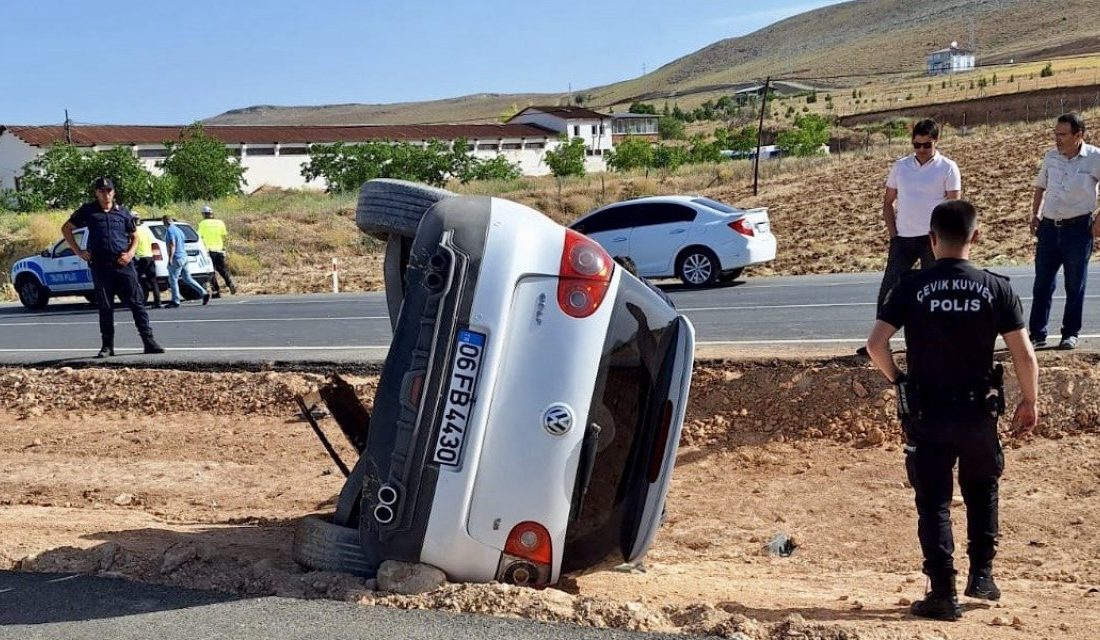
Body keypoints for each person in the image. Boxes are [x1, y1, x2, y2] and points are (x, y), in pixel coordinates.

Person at [865, 199, 1039, 621]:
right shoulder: (997, 287)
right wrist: (1030, 400)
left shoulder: (909, 286)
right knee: (982, 489)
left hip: (929, 413)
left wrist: (898, 381)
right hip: (978, 412)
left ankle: (942, 592)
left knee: (934, 502)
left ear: (931, 238)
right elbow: (1023, 355)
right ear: (975, 237)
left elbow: (875, 345)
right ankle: (982, 576)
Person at [858, 119, 962, 357]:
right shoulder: (901, 166)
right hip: (903, 239)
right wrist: (893, 234)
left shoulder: (948, 167)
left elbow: (954, 205)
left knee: (933, 291)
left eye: (927, 145)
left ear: (936, 141)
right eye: (917, 145)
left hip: (933, 241)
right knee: (889, 290)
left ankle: (933, 342)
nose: (921, 150)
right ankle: (878, 343)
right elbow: (887, 202)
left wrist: (944, 237)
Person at [62, 178, 164, 357]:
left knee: (137, 303)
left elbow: (134, 236)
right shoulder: (88, 211)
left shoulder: (123, 212)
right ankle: (107, 346)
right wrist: (79, 252)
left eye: (109, 190)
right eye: (101, 190)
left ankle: (149, 341)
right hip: (101, 265)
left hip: (123, 264)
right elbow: (66, 229)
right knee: (105, 306)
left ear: (113, 192)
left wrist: (130, 253)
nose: (106, 193)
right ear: (96, 193)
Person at [1027, 112, 1100, 350]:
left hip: (1078, 230)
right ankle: (1037, 334)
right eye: (1055, 134)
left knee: (1074, 284)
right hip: (1049, 227)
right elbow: (1040, 186)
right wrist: (1035, 214)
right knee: (1042, 284)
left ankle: (1070, 334)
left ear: (1078, 135)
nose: (1057, 139)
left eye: (1062, 134)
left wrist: (1098, 220)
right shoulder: (1051, 157)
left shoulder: (1094, 158)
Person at [162, 215, 210, 308]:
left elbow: (172, 244)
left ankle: (175, 301)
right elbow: (183, 241)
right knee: (187, 278)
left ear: (166, 221)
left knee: (173, 279)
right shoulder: (179, 230)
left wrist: (170, 258)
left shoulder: (170, 230)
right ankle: (203, 293)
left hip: (177, 257)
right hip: (184, 257)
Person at [197, 204, 237, 297]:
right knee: (222, 269)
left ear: (204, 214)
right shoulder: (220, 222)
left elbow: (198, 236)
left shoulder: (202, 224)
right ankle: (229, 282)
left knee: (211, 271)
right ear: (212, 213)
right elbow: (224, 235)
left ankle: (216, 291)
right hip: (220, 249)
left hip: (209, 251)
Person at [131, 210, 161, 309]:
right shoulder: (146, 229)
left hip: (140, 258)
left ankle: (141, 301)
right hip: (150, 257)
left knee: (137, 280)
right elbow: (153, 243)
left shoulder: (133, 230)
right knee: (153, 281)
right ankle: (158, 302)